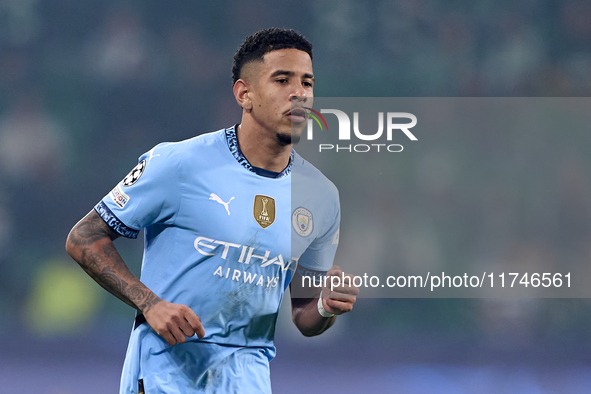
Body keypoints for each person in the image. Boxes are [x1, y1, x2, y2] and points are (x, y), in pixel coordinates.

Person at [66, 27, 358, 394]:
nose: (299, 93)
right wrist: (151, 304)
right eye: (282, 80)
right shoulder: (177, 164)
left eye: (307, 82)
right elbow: (84, 238)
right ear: (244, 94)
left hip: (248, 378)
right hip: (166, 372)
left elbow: (303, 316)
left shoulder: (320, 197)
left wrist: (326, 307)